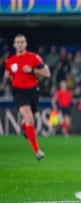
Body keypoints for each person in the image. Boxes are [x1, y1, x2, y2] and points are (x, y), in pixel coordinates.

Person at [4, 33, 51, 161]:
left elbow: (47, 73)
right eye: (17, 42)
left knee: (31, 119)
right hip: (19, 92)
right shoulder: (9, 61)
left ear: (26, 44)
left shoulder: (34, 58)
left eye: (22, 42)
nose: (20, 44)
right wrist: (6, 77)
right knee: (29, 118)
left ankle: (24, 127)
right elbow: (7, 74)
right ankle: (37, 151)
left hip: (33, 92)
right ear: (14, 45)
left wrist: (32, 70)